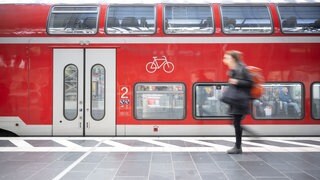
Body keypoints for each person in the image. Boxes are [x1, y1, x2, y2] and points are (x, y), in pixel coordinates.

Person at [222, 50, 253, 154]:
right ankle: (239, 144)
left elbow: (250, 82)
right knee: (235, 123)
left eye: (227, 58)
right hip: (235, 100)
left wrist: (237, 81)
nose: (224, 60)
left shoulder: (242, 68)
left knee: (236, 123)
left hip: (239, 100)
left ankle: (238, 147)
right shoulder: (234, 69)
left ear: (233, 59)